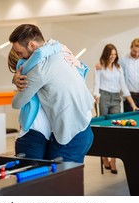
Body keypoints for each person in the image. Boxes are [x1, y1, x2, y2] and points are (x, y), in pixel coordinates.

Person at [9, 24, 94, 163]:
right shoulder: (62, 51)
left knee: (56, 181)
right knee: (74, 181)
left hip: (70, 138)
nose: (20, 57)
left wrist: (18, 79)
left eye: (19, 52)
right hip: (86, 131)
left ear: (31, 45)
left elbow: (17, 103)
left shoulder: (40, 69)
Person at [93, 43, 139, 174]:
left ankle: (113, 160)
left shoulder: (118, 68)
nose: (113, 57)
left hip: (115, 98)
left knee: (116, 128)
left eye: (115, 54)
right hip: (103, 97)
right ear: (106, 54)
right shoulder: (99, 67)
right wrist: (96, 96)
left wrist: (133, 104)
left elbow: (123, 86)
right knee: (104, 129)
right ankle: (104, 156)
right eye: (111, 54)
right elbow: (96, 84)